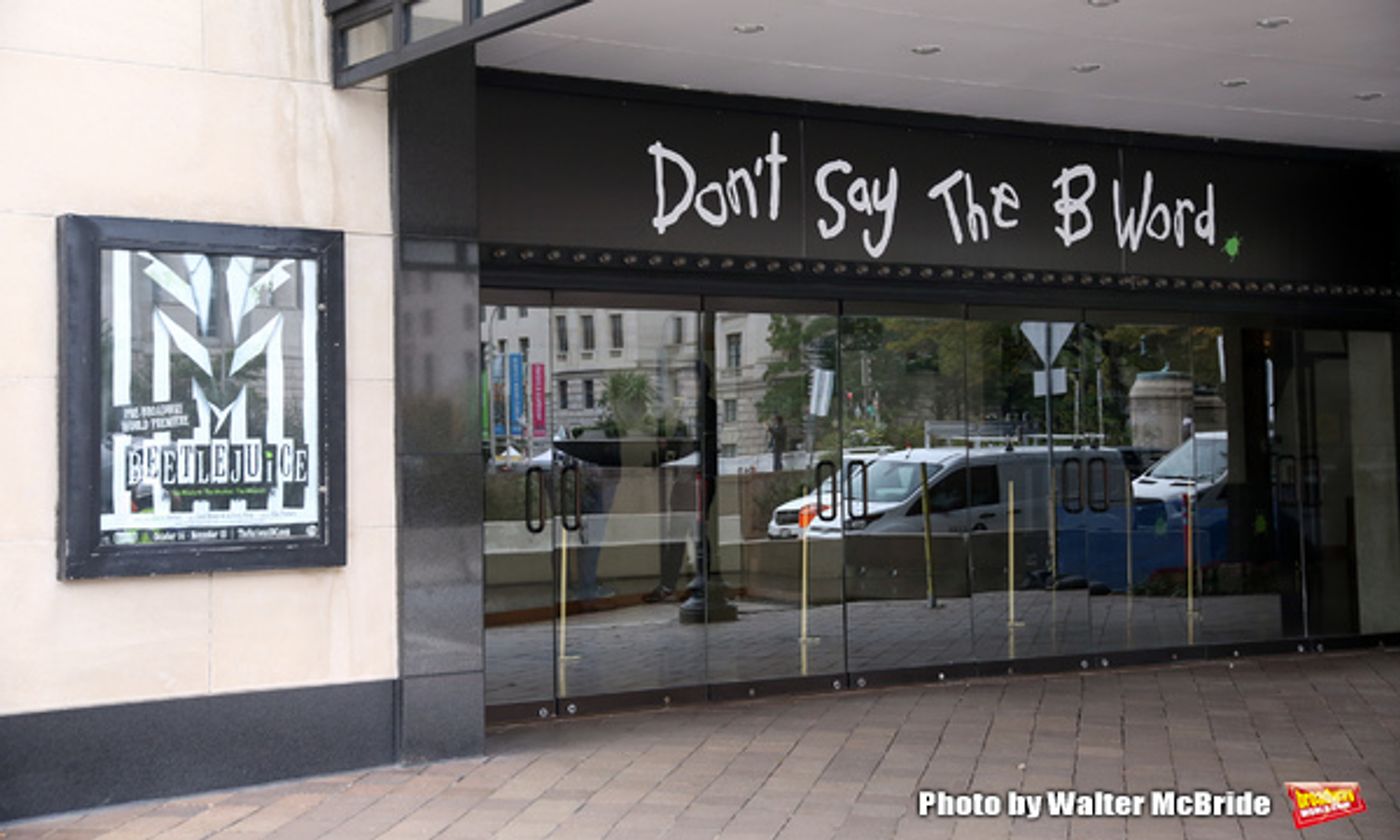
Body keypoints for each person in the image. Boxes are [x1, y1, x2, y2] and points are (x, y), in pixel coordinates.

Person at [644, 467, 695, 603]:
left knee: (682, 544)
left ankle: (669, 586)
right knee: (677, 544)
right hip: (685, 492)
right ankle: (668, 586)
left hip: (690, 492)